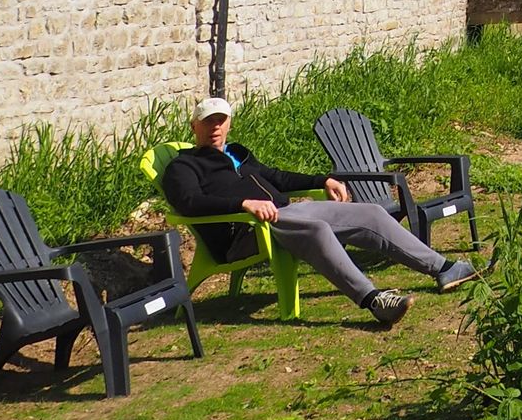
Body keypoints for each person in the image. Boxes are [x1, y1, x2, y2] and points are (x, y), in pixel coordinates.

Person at [162, 96, 476, 327]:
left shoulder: (238, 154)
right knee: (318, 230)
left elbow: (278, 177)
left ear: (229, 123)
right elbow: (188, 203)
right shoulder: (183, 165)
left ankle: (445, 268)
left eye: (221, 120)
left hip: (287, 214)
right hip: (245, 231)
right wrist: (242, 205)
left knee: (371, 214)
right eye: (208, 121)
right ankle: (374, 300)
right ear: (194, 126)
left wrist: (323, 179)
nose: (215, 127)